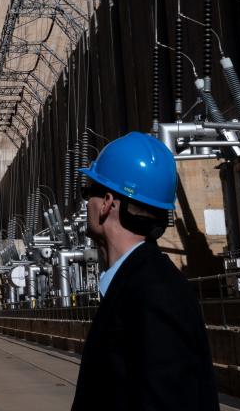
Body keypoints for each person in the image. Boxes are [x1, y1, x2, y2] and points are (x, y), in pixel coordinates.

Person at [72, 131, 219, 410]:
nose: (85, 203)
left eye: (87, 193)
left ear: (106, 203)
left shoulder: (153, 294)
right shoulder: (141, 283)